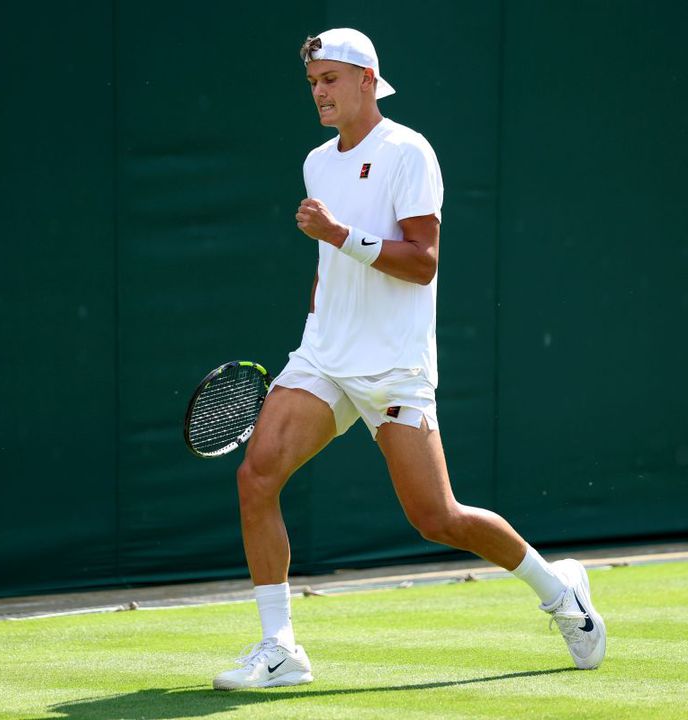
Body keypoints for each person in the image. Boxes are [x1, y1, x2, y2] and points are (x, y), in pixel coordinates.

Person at [212, 28, 606, 691]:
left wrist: (339, 233)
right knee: (256, 478)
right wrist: (317, 326)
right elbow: (327, 265)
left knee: (437, 518)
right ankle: (280, 648)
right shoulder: (317, 162)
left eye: (330, 80)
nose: (319, 93)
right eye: (312, 84)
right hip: (323, 356)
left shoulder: (408, 152)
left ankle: (560, 590)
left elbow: (423, 263)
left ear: (367, 80)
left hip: (393, 365)